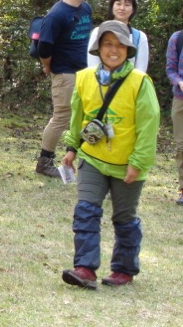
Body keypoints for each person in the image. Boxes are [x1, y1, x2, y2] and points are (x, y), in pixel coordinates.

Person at [61, 20, 159, 288]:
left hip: (127, 164)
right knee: (86, 211)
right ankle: (85, 268)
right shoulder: (84, 78)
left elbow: (149, 125)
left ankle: (124, 270)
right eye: (107, 44)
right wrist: (71, 148)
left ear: (128, 50)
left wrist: (138, 162)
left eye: (119, 45)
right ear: (98, 48)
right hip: (92, 158)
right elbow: (77, 116)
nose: (113, 50)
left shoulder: (140, 82)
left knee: (124, 219)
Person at [36, 0, 93, 178]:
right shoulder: (57, 14)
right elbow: (44, 47)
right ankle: (44, 162)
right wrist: (48, 66)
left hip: (86, 73)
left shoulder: (86, 8)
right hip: (65, 74)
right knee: (61, 118)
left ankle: (85, 158)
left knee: (89, 116)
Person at [87, 0, 149, 72]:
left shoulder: (139, 37)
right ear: (112, 6)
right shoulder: (98, 32)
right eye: (118, 4)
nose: (122, 8)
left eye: (127, 5)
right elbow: (93, 66)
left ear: (133, 9)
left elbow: (141, 71)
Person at [165, 28, 183, 205]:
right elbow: (171, 69)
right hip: (180, 100)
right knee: (181, 146)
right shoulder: (177, 38)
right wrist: (179, 81)